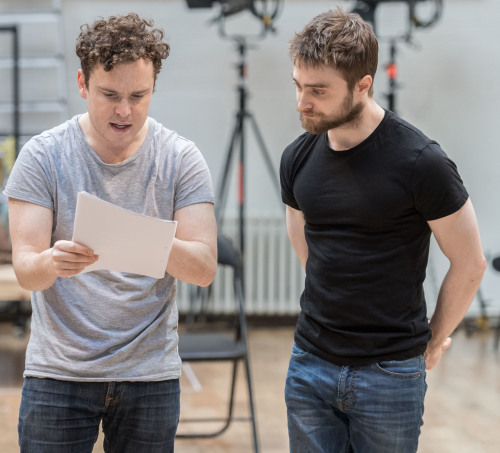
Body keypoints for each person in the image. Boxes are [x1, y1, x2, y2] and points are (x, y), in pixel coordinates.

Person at [4, 13, 217, 453]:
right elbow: (27, 273)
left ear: (154, 87)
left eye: (139, 95)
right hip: (59, 373)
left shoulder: (181, 158)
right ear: (83, 83)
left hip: (149, 374)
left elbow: (203, 269)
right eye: (110, 95)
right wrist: (52, 262)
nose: (125, 110)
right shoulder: (43, 157)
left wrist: (143, 240)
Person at [280, 8, 486, 453]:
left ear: (363, 85)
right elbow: (302, 233)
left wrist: (431, 341)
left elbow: (470, 262)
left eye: (318, 91)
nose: (302, 102)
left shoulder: (421, 162)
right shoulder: (297, 157)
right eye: (298, 86)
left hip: (389, 373)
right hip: (309, 363)